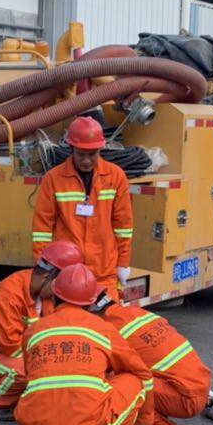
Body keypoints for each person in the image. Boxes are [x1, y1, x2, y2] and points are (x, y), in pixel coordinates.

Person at [14, 263, 153, 425]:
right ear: (91, 302)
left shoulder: (33, 331)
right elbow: (141, 373)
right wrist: (145, 422)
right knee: (134, 381)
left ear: (55, 295)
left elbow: (34, 376)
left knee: (42, 392)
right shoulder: (102, 329)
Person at [0, 240, 83, 419]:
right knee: (24, 372)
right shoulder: (9, 296)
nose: (59, 295)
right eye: (59, 288)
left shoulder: (43, 293)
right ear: (47, 277)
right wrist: (47, 365)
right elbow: (11, 347)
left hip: (24, 351)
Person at [30, 116, 134, 301]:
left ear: (100, 150)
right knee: (69, 325)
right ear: (72, 150)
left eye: (92, 154)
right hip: (66, 275)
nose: (87, 160)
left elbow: (123, 226)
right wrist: (42, 268)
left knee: (106, 325)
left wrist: (123, 263)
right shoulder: (54, 179)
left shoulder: (115, 177)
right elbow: (42, 229)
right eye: (81, 154)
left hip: (104, 272)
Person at [102, 301, 212, 425]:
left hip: (186, 399)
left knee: (121, 382)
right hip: (199, 384)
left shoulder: (108, 329)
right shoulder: (136, 312)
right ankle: (160, 410)